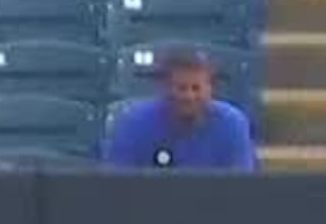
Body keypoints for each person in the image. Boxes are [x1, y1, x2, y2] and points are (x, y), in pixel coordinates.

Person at [102, 49, 257, 172]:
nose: (189, 96)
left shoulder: (232, 123)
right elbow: (116, 187)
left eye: (196, 88)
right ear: (164, 88)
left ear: (210, 89)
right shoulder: (133, 123)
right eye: (181, 88)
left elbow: (240, 189)